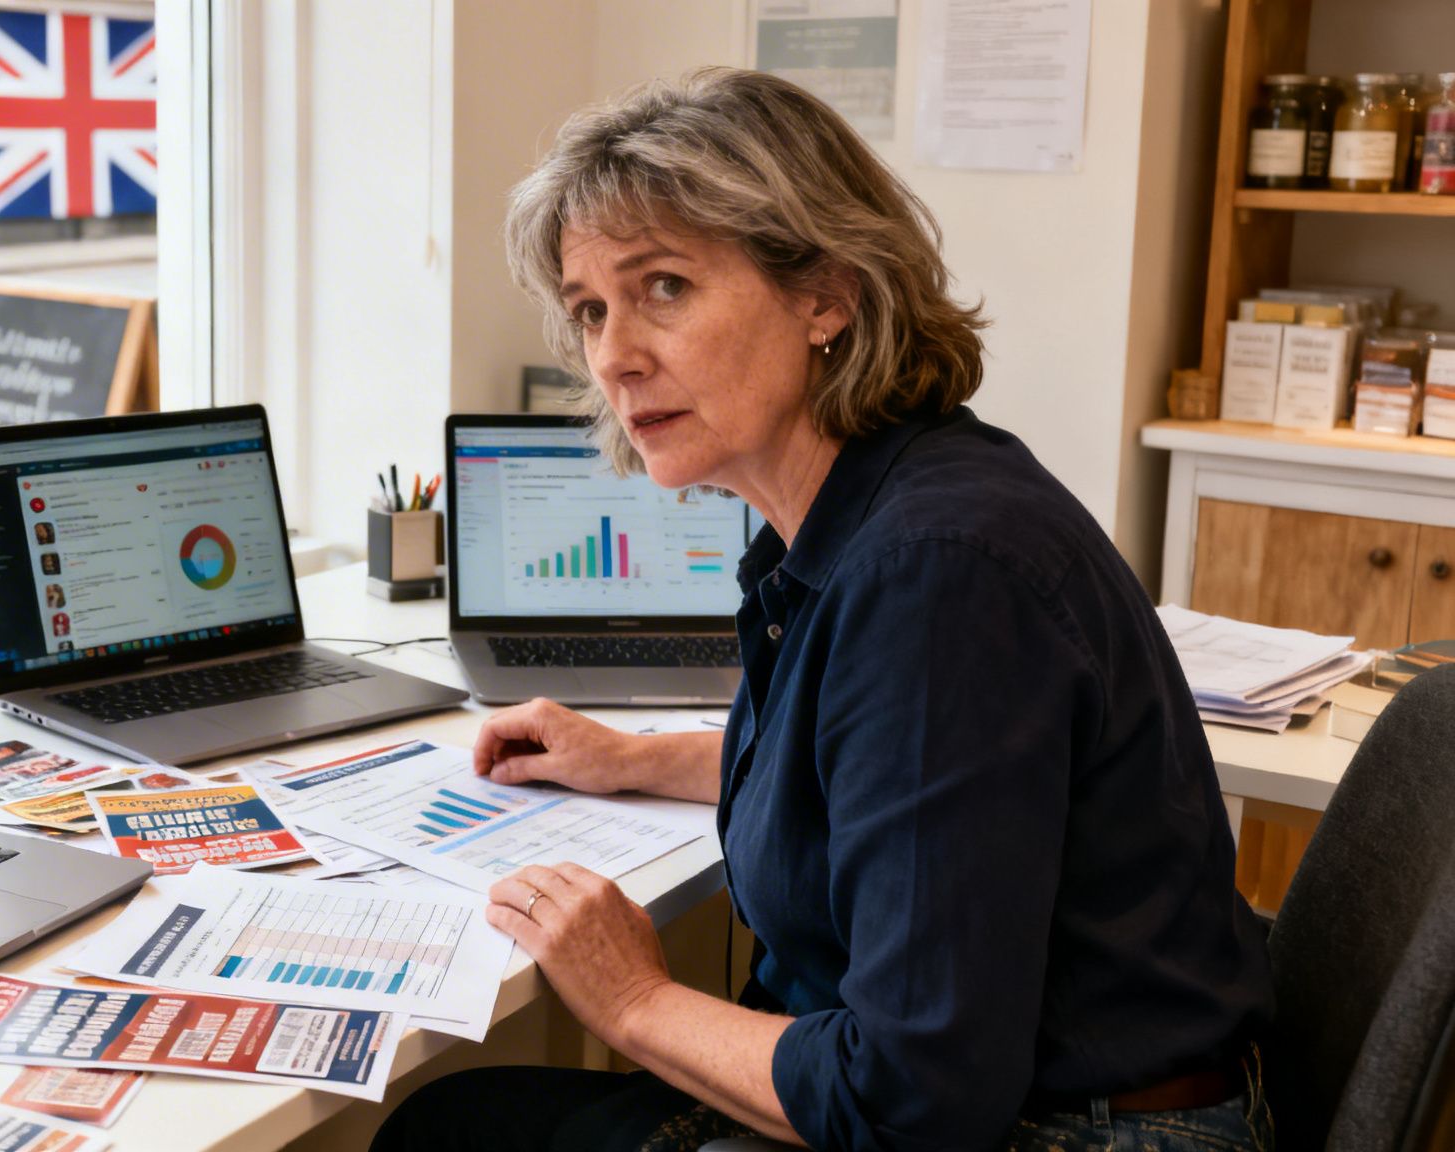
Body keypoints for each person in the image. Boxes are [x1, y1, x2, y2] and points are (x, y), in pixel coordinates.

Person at [371, 69, 1274, 1152]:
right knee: (455, 1122)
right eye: (589, 310)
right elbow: (890, 789)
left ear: (825, 294)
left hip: (1069, 1134)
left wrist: (632, 1003)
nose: (612, 354)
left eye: (663, 287)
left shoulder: (936, 576)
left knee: (448, 1137)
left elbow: (908, 1103)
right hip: (1012, 1095)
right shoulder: (883, 504)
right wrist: (627, 759)